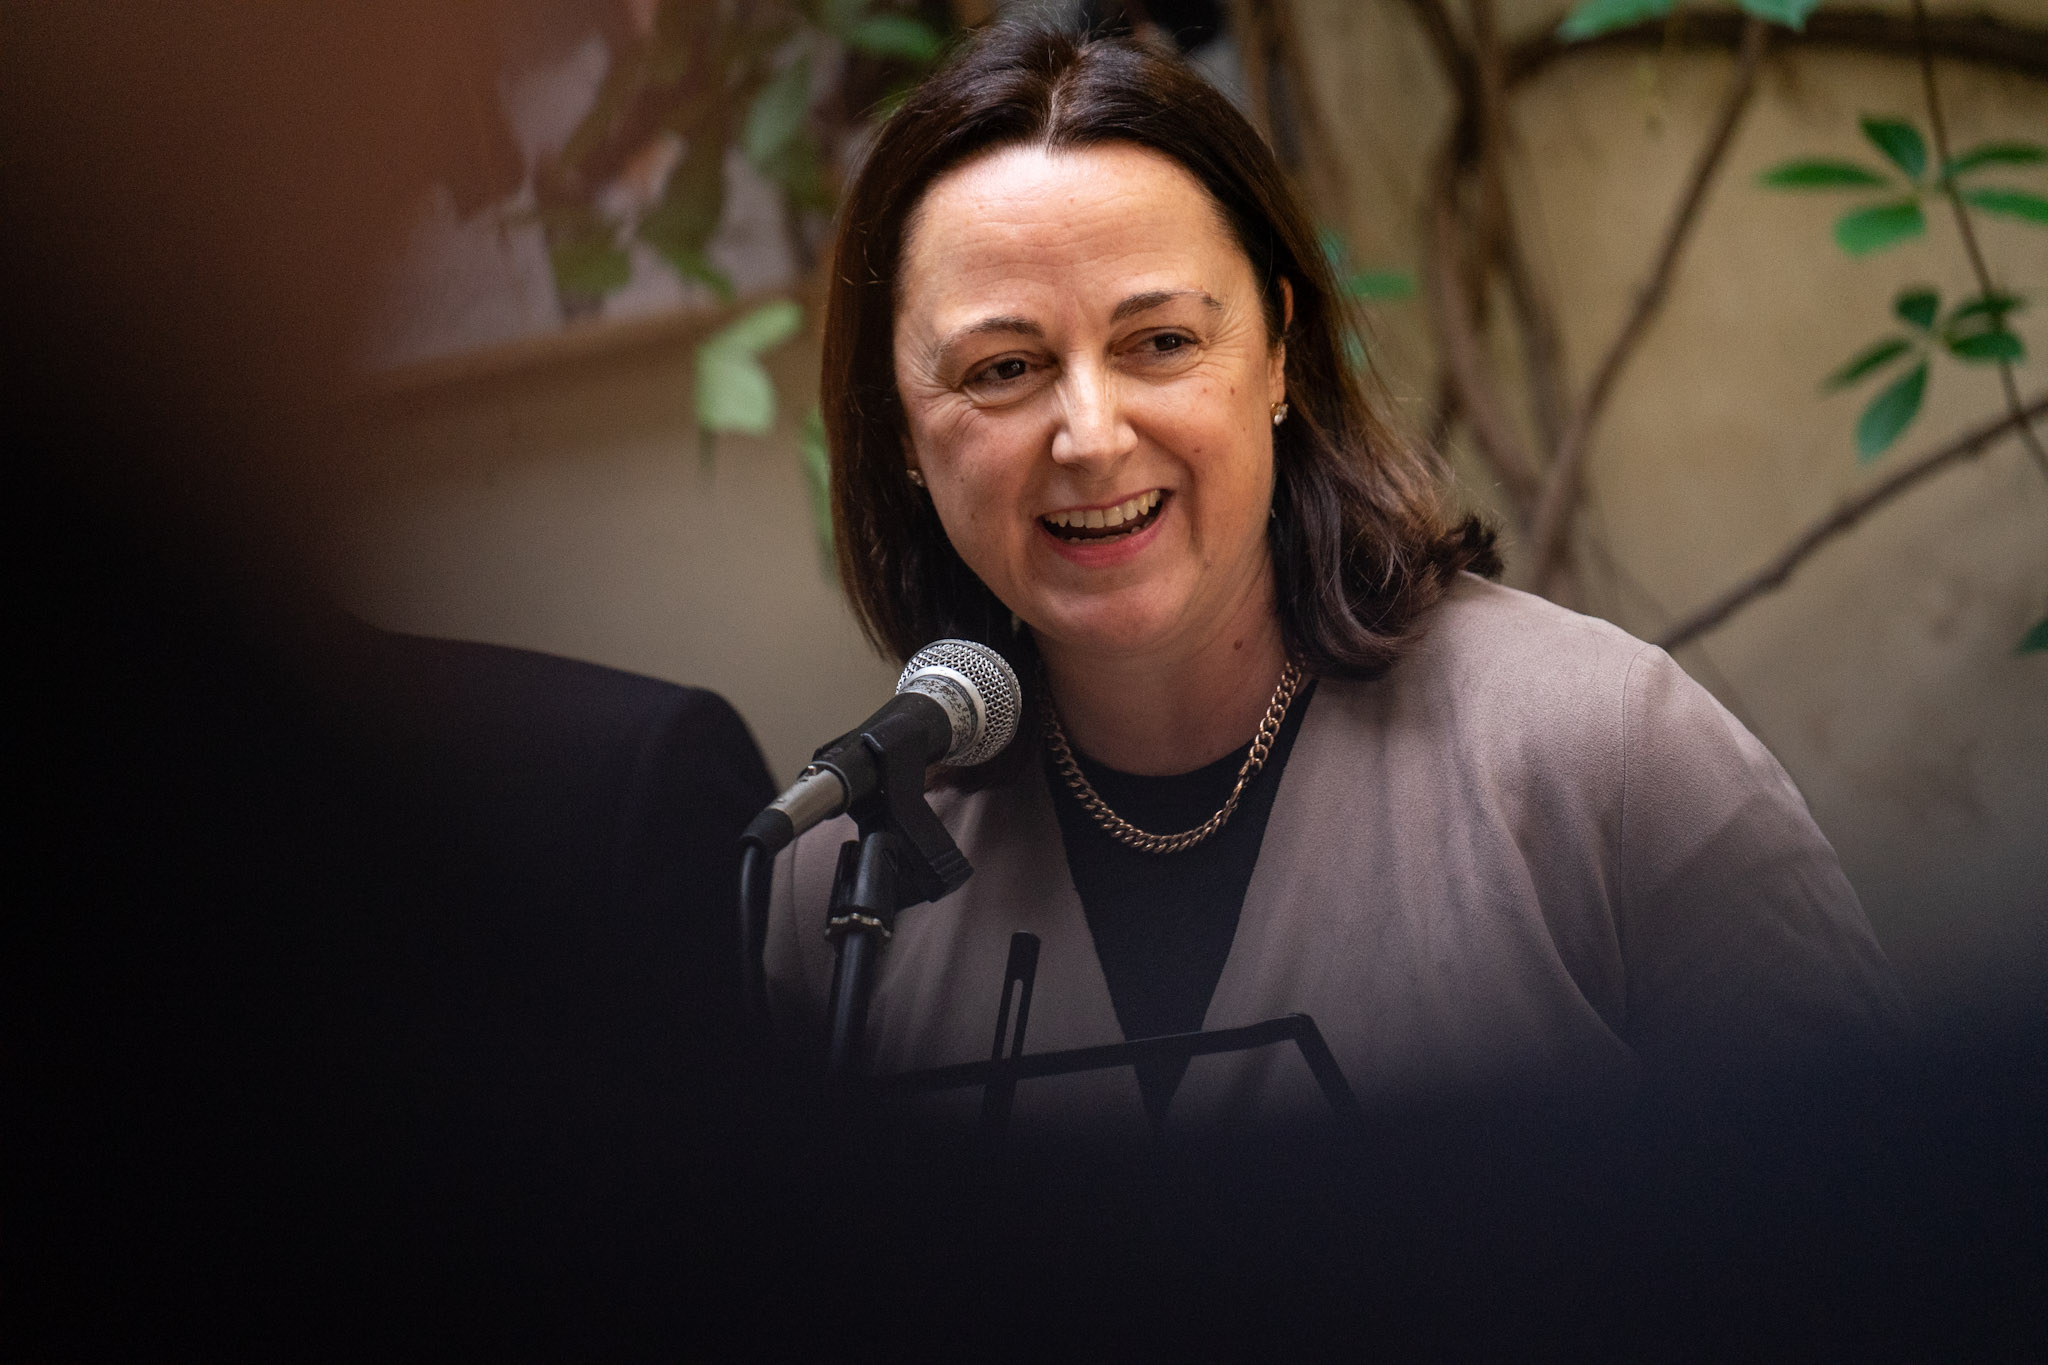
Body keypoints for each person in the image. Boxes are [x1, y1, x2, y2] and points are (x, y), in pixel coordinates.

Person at [766, 20, 1904, 1140]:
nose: (1092, 436)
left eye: (1160, 342)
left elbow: (1880, 1220)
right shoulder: (836, 892)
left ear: (1277, 353)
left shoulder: (1607, 758)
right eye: (1004, 368)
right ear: (900, 429)